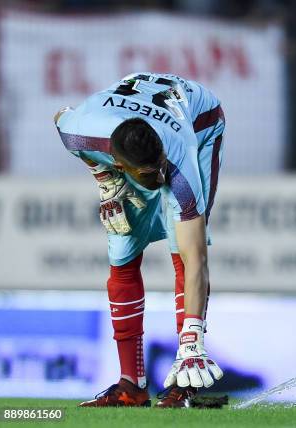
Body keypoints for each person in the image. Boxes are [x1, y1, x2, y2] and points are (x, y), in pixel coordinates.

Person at [54, 72, 225, 408]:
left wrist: (193, 338)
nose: (160, 179)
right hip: (126, 126)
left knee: (183, 247)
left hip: (199, 123)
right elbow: (59, 116)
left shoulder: (177, 157)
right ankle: (131, 386)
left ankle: (186, 376)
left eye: (160, 168)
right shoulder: (78, 132)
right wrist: (103, 178)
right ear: (119, 163)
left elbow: (197, 260)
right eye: (150, 174)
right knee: (121, 251)